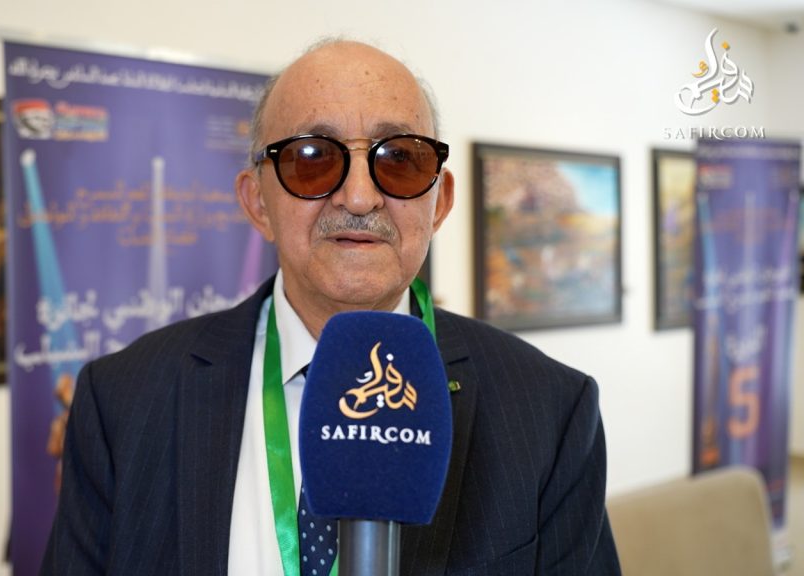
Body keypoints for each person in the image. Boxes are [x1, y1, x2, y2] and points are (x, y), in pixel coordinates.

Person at [41, 39, 620, 575]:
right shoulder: (121, 401)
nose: (361, 196)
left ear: (439, 201)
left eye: (400, 159)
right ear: (257, 202)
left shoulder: (549, 411)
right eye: (312, 157)